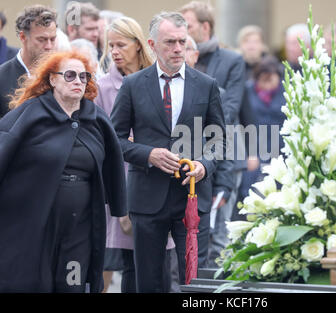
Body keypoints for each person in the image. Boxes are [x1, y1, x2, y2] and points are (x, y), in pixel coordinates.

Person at [110, 11, 225, 293]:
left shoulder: (206, 85)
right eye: (169, 42)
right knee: (148, 281)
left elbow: (220, 140)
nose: (177, 49)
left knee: (195, 282)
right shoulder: (133, 85)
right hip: (147, 198)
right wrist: (148, 154)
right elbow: (114, 140)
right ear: (151, 44)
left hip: (192, 197)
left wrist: (204, 165)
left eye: (182, 42)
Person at [0, 50, 126, 292]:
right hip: (35, 220)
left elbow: (113, 159)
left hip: (80, 224)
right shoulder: (31, 113)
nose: (78, 81)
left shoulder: (96, 119)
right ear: (52, 79)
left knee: (72, 281)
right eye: (70, 75)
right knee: (36, 281)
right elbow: (4, 146)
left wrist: (120, 206)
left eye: (84, 76)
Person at [180, 1, 246, 268]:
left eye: (188, 25)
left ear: (205, 26)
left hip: (222, 154)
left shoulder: (231, 60)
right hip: (187, 159)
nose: (182, 31)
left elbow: (230, 110)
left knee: (219, 233)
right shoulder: (174, 64)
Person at [95, 16, 154, 293]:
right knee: (122, 260)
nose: (115, 51)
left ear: (138, 45)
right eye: (111, 46)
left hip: (156, 179)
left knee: (157, 261)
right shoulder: (102, 87)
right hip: (120, 181)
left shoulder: (157, 80)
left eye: (121, 45)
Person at [238, 55, 286, 211]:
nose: (267, 85)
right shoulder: (247, 90)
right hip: (254, 147)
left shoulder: (287, 92)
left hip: (279, 149)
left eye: (271, 80)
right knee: (249, 192)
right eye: (263, 80)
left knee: (278, 192)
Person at [0, 5, 57, 118]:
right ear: (22, 37)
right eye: (42, 39)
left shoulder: (64, 75)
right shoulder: (2, 77)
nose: (49, 46)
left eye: (53, 39)